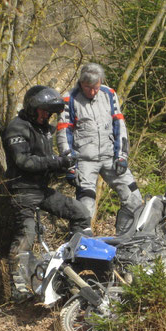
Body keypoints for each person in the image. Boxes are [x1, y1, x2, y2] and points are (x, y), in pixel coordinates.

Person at [3, 85, 91, 303]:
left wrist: (64, 167)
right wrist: (55, 161)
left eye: (50, 113)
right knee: (26, 235)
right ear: (33, 108)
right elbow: (23, 161)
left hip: (42, 190)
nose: (47, 116)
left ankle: (71, 266)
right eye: (44, 111)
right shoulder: (17, 128)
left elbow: (46, 162)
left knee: (80, 213)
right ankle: (20, 287)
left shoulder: (43, 129)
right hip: (22, 191)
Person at [56, 63, 143, 235]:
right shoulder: (69, 99)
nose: (93, 92)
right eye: (88, 88)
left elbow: (120, 126)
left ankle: (127, 239)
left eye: (95, 87)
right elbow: (63, 133)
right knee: (86, 206)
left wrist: (122, 156)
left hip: (111, 156)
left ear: (101, 82)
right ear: (81, 83)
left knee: (134, 198)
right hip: (84, 160)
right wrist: (70, 165)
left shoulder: (109, 94)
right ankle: (82, 245)